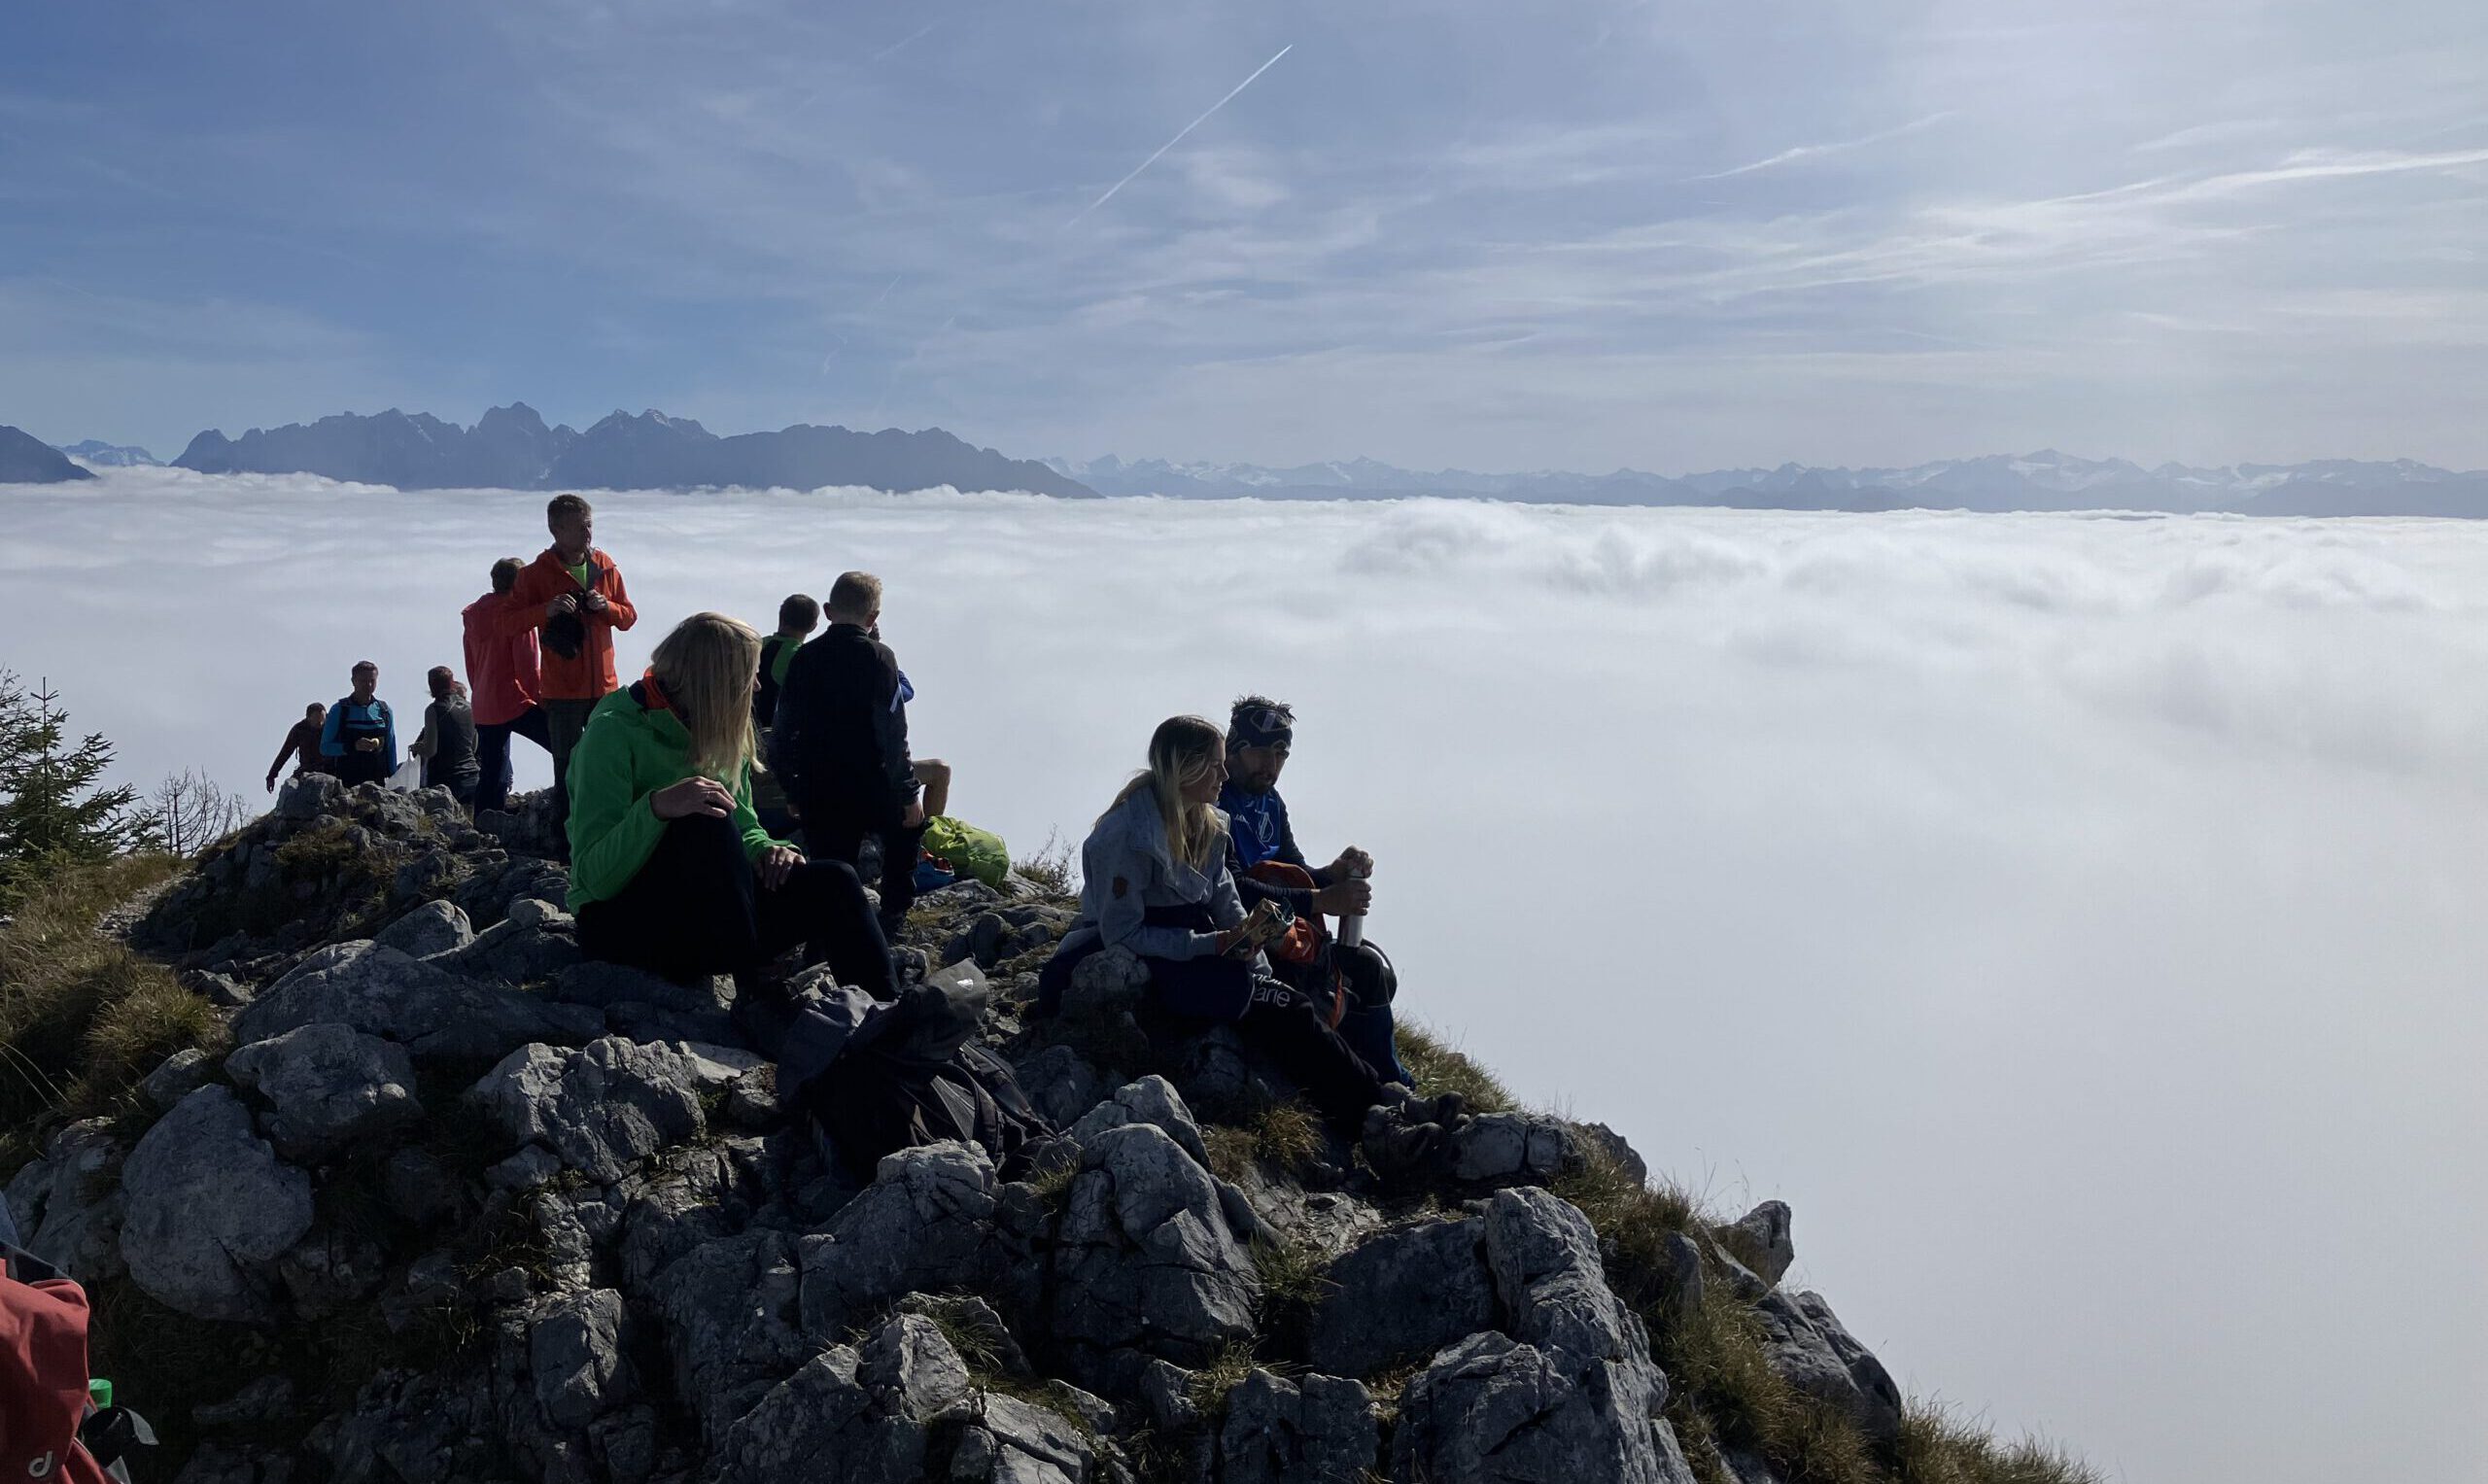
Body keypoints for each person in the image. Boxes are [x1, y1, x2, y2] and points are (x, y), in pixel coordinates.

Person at [1039, 714, 1394, 1131]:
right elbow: (1122, 934)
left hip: (1190, 949)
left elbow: (1225, 897)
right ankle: (1375, 1115)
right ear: (1182, 767)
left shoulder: (1207, 821)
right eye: (1214, 764)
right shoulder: (1125, 836)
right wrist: (1213, 945)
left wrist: (1252, 953)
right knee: (1289, 1013)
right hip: (1139, 958)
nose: (1223, 775)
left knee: (1289, 1000)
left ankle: (1383, 1098)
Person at [566, 611, 898, 998]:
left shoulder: (717, 727)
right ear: (713, 682)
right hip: (622, 927)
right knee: (702, 821)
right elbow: (593, 877)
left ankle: (887, 1015)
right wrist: (657, 808)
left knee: (836, 880)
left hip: (711, 921)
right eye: (749, 675)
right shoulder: (614, 731)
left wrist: (770, 849)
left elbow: (745, 824)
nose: (756, 687)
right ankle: (756, 994)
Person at [1221, 696, 1409, 1086]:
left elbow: (1294, 872)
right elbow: (1233, 886)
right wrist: (1321, 901)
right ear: (1234, 748)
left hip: (1292, 931)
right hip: (1247, 938)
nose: (1271, 766)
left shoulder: (1271, 803)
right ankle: (1364, 1085)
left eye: (1281, 754)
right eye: (1260, 751)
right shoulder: (1215, 799)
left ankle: (1393, 1081)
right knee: (1320, 988)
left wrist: (1332, 874)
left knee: (1371, 970)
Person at [772, 572, 926, 940]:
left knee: (830, 863)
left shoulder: (804, 657)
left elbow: (780, 734)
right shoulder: (880, 657)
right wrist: (908, 795)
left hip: (817, 788)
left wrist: (792, 789)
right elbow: (893, 734)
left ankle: (824, 936)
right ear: (873, 618)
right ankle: (892, 914)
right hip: (870, 786)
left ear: (826, 611)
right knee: (909, 827)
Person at [485, 495, 637, 829]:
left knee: (607, 762)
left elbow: (628, 617)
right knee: (567, 766)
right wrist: (546, 610)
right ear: (556, 530)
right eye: (580, 526)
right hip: (564, 692)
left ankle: (608, 828)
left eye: (590, 525)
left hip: (604, 688)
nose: (588, 533)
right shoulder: (536, 574)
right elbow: (507, 624)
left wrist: (606, 607)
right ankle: (567, 837)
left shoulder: (605, 565)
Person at [463, 556, 551, 813]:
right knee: (565, 747)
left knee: (491, 769)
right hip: (514, 700)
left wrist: (478, 690)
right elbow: (527, 669)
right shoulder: (516, 615)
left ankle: (485, 826)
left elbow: (471, 663)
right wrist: (543, 701)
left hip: (484, 702)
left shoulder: (474, 614)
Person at [407, 666, 482, 809]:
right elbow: (474, 746)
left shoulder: (433, 710)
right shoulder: (470, 707)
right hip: (473, 778)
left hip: (446, 782)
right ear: (452, 683)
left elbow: (430, 750)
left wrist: (417, 748)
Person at [318, 662, 397, 788]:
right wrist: (353, 746)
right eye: (363, 681)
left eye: (372, 681)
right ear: (353, 681)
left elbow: (390, 747)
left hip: (378, 787)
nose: (369, 685)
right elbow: (325, 747)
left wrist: (394, 779)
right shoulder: (340, 710)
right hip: (346, 785)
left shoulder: (385, 711)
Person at [752, 593, 818, 728]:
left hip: (746, 729)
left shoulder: (755, 645)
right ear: (813, 627)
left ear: (780, 618)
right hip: (773, 734)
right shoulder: (802, 656)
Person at [264, 703, 334, 792]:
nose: (320, 724)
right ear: (308, 718)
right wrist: (271, 776)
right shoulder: (299, 730)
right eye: (317, 722)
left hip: (330, 769)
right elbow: (285, 753)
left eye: (322, 721)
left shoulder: (332, 725)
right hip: (307, 770)